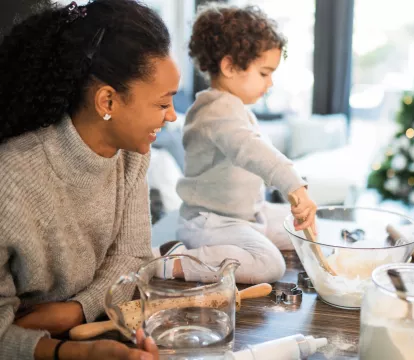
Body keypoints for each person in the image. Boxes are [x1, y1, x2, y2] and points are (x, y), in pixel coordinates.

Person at [0, 0, 180, 359]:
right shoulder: (11, 178)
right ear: (108, 101)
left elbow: (133, 254)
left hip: (89, 330)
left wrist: (77, 309)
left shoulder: (132, 158)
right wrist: (79, 353)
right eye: (162, 104)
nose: (172, 117)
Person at [156, 4, 317, 285]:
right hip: (211, 222)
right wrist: (293, 183)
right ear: (229, 66)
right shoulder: (214, 111)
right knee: (269, 265)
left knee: (306, 229)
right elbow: (251, 150)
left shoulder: (236, 107)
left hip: (246, 216)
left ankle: (249, 241)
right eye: (264, 73)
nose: (270, 83)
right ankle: (176, 262)